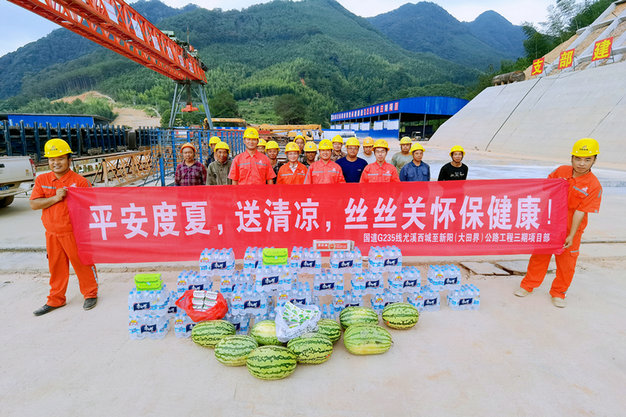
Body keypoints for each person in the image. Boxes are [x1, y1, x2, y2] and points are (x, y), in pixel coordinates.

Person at [514, 138, 603, 308]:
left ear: (594, 160)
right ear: (571, 158)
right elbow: (546, 189)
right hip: (549, 224)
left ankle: (558, 293)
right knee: (539, 257)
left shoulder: (594, 185)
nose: (582, 163)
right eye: (578, 158)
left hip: (571, 229)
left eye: (587, 159)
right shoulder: (561, 171)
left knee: (567, 263)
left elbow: (580, 212)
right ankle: (528, 285)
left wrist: (571, 235)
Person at [29, 139, 98, 316]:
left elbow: (90, 207)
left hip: (75, 233)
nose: (56, 162)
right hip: (52, 233)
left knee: (83, 264)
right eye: (52, 159)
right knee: (56, 267)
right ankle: (56, 299)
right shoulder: (42, 179)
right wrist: (55, 198)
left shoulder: (80, 182)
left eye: (60, 158)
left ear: (69, 159)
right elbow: (34, 204)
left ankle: (90, 293)